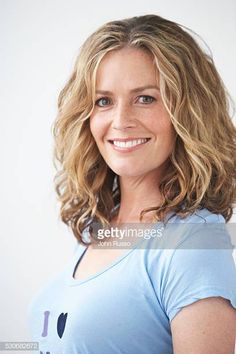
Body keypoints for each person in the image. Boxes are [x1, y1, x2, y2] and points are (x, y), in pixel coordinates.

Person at [27, 14, 236, 353]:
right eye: (103, 101)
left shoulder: (192, 244)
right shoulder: (98, 230)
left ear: (188, 112)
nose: (121, 121)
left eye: (146, 98)